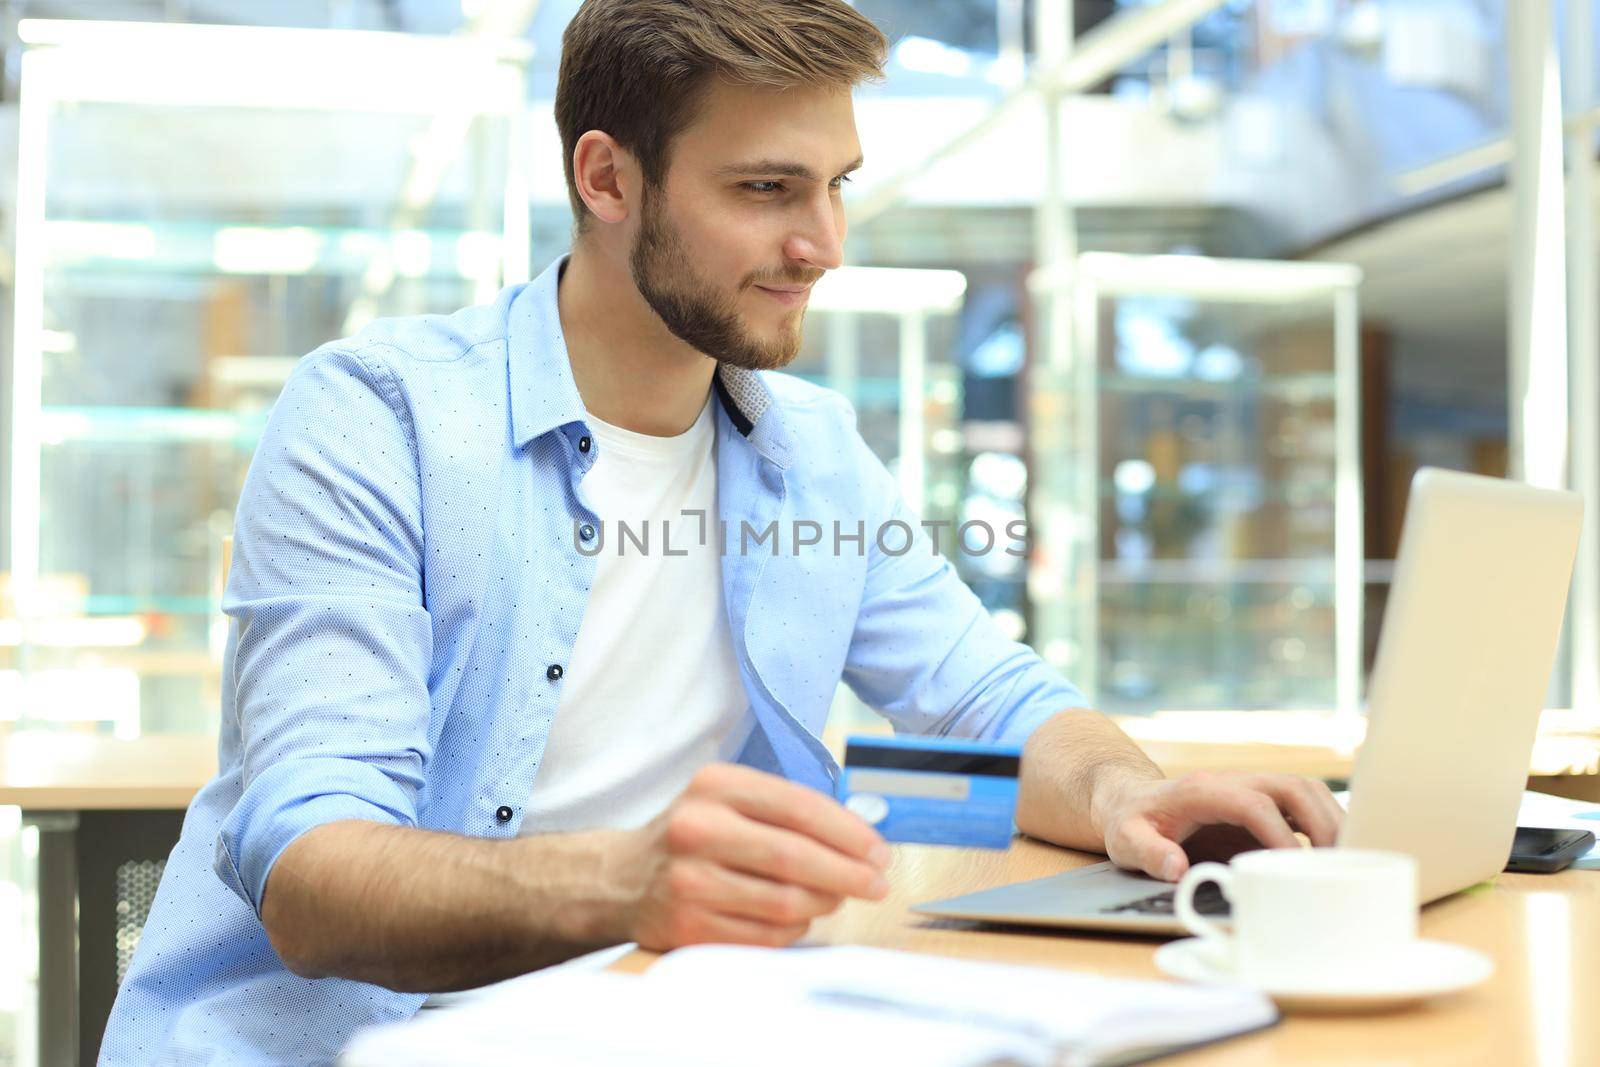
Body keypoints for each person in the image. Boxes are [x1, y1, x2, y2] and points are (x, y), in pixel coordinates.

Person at [100, 1, 1342, 1062]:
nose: (823, 246)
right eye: (766, 190)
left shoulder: (811, 452)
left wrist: (1134, 791)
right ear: (606, 179)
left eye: (836, 186)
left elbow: (988, 696)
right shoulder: (376, 418)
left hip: (667, 1024)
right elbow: (313, 874)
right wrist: (627, 883)